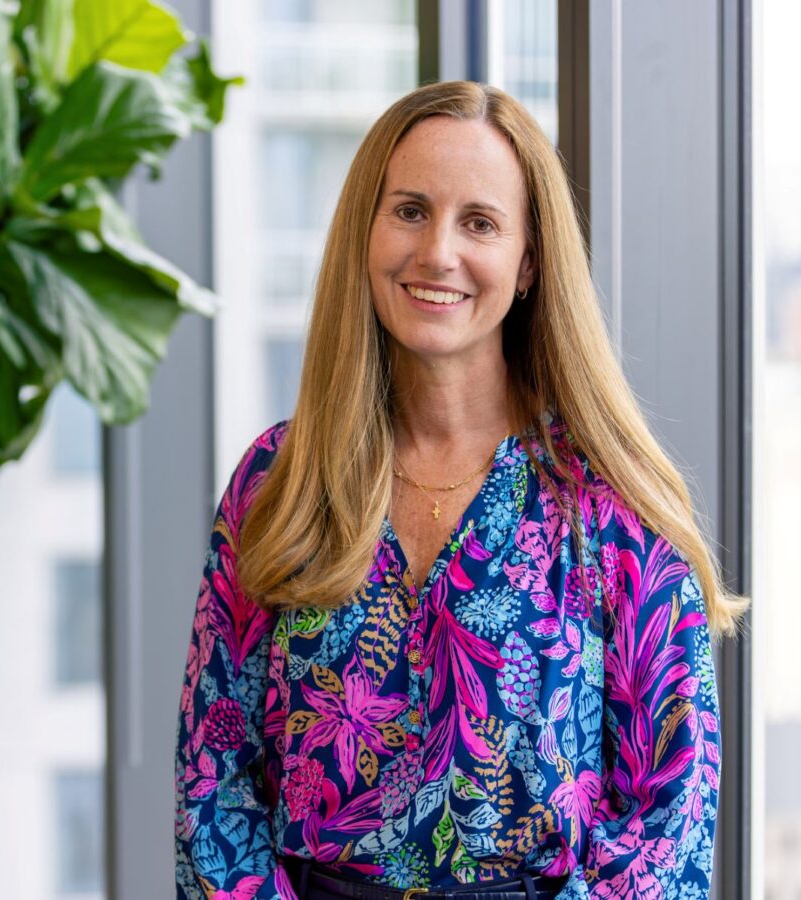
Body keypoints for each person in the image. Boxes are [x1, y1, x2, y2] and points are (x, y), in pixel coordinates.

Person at [174, 80, 746, 900]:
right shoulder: (277, 481)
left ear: (528, 263)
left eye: (479, 222)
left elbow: (670, 825)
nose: (437, 251)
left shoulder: (617, 507)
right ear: (365, 233)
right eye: (409, 210)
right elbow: (212, 774)